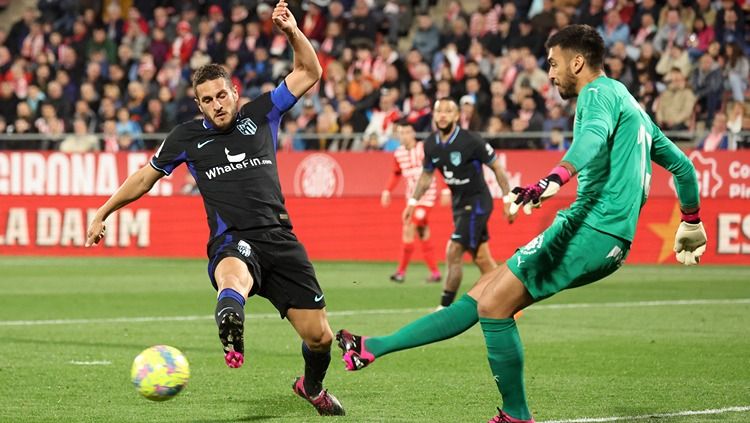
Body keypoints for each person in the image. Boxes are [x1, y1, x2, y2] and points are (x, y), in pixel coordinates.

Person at [337, 25, 707, 423]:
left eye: (553, 63)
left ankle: (516, 415)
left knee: (495, 308)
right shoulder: (632, 104)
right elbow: (683, 168)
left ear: (577, 62)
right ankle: (371, 346)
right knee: (483, 292)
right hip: (605, 236)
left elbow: (592, 139)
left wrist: (555, 178)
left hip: (590, 229)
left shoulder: (596, 94)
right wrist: (690, 219)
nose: (550, 74)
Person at [85, 1, 345, 416]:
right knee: (232, 278)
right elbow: (144, 176)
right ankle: (230, 321)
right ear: (199, 105)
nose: (217, 104)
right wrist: (104, 211)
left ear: (234, 91)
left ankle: (310, 386)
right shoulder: (186, 138)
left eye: (221, 95)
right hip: (233, 239)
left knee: (320, 338)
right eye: (207, 100)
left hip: (279, 237)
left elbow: (310, 72)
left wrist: (292, 32)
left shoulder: (262, 113)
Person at [382, 120, 444, 283]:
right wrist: (387, 190)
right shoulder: (399, 153)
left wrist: (445, 189)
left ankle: (400, 273)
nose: (404, 136)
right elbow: (396, 173)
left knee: (408, 227)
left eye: (407, 132)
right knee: (423, 233)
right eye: (401, 133)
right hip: (412, 199)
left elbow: (439, 166)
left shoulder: (424, 148)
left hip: (428, 198)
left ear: (413, 133)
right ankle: (436, 273)